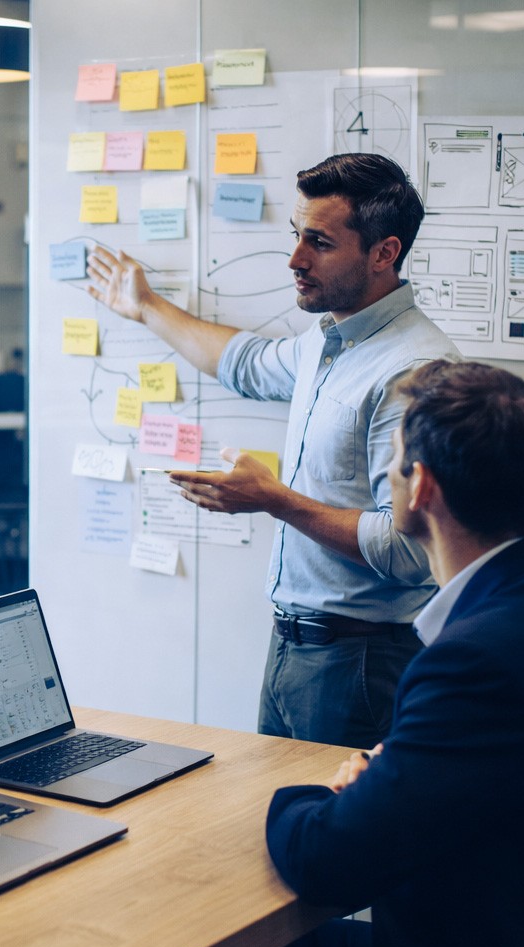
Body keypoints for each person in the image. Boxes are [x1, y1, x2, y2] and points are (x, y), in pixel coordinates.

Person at [180, 361, 524, 947]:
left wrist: (310, 796)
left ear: (420, 487)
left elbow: (330, 864)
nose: (386, 479)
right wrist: (387, 785)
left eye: (390, 464)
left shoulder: (475, 662)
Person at [86, 153, 459, 748]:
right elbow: (246, 364)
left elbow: (409, 549)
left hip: (361, 659)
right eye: (296, 235)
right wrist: (146, 307)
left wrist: (274, 500)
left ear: (383, 253)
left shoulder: (413, 370)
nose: (295, 260)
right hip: (294, 647)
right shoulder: (331, 340)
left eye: (319, 242)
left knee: (336, 835)